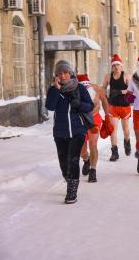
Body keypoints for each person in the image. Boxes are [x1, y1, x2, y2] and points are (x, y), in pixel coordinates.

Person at [45, 60, 94, 204]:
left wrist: (79, 104)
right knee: (63, 163)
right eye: (59, 73)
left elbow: (90, 106)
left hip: (78, 131)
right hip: (60, 133)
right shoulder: (54, 89)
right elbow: (50, 106)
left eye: (65, 73)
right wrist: (55, 89)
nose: (63, 76)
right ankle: (69, 178)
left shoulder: (79, 88)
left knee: (73, 160)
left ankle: (72, 190)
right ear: (56, 76)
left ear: (70, 73)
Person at [77, 74, 109, 183]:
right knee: (82, 151)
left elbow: (104, 100)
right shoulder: (74, 92)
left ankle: (93, 170)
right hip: (80, 121)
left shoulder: (96, 89)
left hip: (94, 120)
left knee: (93, 144)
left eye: (87, 86)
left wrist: (107, 116)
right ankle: (86, 160)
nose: (85, 88)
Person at [102, 54, 132, 161]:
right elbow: (103, 88)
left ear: (121, 66)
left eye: (118, 65)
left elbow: (131, 90)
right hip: (113, 106)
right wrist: (105, 97)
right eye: (114, 65)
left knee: (125, 129)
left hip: (125, 106)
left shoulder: (126, 76)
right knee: (113, 130)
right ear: (112, 66)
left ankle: (127, 141)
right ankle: (114, 152)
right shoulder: (108, 76)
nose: (116, 67)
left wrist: (120, 91)